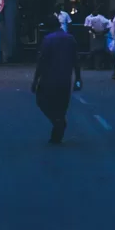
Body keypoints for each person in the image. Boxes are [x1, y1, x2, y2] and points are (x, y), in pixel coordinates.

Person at [32, 14, 82, 144]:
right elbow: (76, 60)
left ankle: (57, 123)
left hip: (49, 78)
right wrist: (78, 78)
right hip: (65, 78)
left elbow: (41, 61)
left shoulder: (48, 39)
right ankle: (58, 127)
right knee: (61, 105)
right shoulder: (70, 38)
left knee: (42, 101)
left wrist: (35, 80)